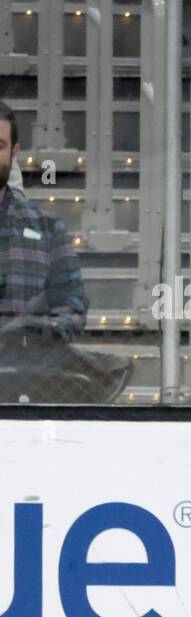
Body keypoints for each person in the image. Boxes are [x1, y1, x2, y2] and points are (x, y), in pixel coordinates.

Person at [0, 100, 98, 401]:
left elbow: (72, 300)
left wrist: (42, 330)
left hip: (28, 388)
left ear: (14, 153)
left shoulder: (46, 227)